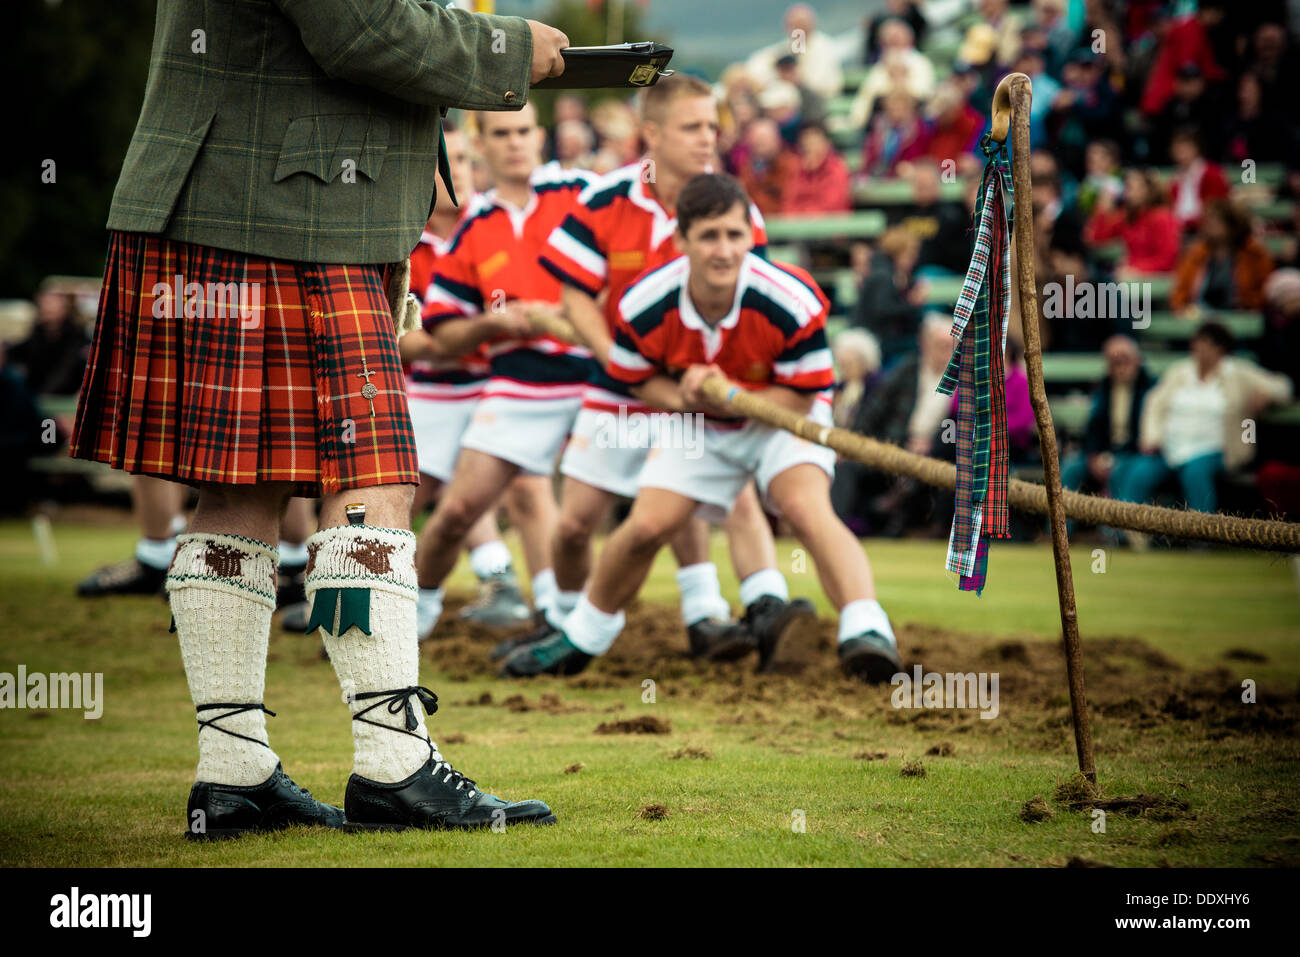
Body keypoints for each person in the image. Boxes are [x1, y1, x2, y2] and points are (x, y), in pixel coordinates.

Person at [70, 0, 571, 837]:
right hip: (280, 206)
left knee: (239, 491)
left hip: (242, 199)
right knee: (370, 482)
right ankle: (393, 762)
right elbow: (358, 27)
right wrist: (507, 48)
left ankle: (234, 773)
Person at [502, 174, 902, 684]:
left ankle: (866, 630)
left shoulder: (790, 298)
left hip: (784, 417)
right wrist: (686, 398)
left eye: (735, 235)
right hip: (701, 423)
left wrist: (735, 395)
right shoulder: (644, 304)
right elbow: (635, 380)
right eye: (710, 236)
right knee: (646, 527)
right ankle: (582, 637)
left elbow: (805, 391)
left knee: (804, 507)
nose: (724, 250)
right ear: (681, 240)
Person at [534, 75, 814, 667]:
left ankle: (744, 611)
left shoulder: (735, 205)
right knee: (576, 525)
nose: (709, 138)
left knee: (721, 495)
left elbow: (751, 300)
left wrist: (725, 386)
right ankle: (558, 618)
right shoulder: (605, 199)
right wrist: (615, 359)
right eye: (693, 127)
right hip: (619, 382)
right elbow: (575, 294)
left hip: (694, 388)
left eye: (713, 126)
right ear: (652, 133)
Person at [408, 102, 595, 641]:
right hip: (506, 384)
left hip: (595, 379)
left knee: (647, 495)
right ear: (484, 144)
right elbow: (438, 333)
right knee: (451, 507)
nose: (515, 143)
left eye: (523, 131)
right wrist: (495, 325)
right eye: (501, 134)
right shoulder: (468, 230)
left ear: (541, 136)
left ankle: (702, 611)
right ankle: (409, 612)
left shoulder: (584, 196)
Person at [398, 121, 536, 632]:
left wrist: (463, 336)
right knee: (396, 496)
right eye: (446, 162)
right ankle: (366, 594)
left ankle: (525, 598)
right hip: (429, 394)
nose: (459, 173)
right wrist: (460, 336)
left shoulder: (500, 226)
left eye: (465, 161)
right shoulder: (402, 247)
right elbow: (396, 338)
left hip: (497, 387)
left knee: (515, 490)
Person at [1122, 322, 1293, 518]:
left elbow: (1283, 386)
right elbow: (1154, 403)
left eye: (1204, 343)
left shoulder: (1238, 373)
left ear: (1220, 348)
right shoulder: (1180, 371)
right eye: (1196, 342)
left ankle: (1202, 536)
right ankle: (1123, 532)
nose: (1197, 347)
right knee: (1138, 471)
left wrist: (1266, 394)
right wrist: (1152, 438)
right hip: (1171, 449)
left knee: (1194, 473)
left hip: (1216, 451)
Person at [1060, 335, 1155, 504]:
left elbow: (1149, 433)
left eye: (1124, 361)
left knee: (1120, 471)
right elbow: (1093, 426)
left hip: (1134, 453)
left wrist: (1114, 458)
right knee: (1070, 469)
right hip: (1104, 451)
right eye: (1114, 363)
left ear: (1137, 360)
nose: (1120, 368)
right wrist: (1093, 456)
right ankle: (1060, 527)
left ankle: (1115, 529)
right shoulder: (1103, 388)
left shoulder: (1150, 388)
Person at [1171, 200, 1275, 315]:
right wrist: (1181, 308)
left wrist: (1249, 305)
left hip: (1242, 313)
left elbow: (1265, 292)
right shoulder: (1196, 254)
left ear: (1232, 225)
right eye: (1207, 221)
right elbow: (1181, 292)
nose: (1209, 225)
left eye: (1216, 221)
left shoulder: (1254, 254)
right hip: (1200, 313)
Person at [1083, 168, 1181, 277]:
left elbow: (1167, 259)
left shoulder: (1162, 217)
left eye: (1131, 187)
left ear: (1147, 190)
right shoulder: (1128, 216)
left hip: (1156, 277)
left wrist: (1135, 268)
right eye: (1126, 188)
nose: (1126, 194)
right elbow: (1097, 239)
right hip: (1131, 275)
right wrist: (1103, 211)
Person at [782, 121, 851, 215]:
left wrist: (801, 215)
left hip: (831, 227)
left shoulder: (836, 169)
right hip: (799, 226)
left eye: (814, 143)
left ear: (827, 144)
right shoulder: (796, 170)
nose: (810, 148)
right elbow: (788, 205)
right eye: (806, 144)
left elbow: (831, 207)